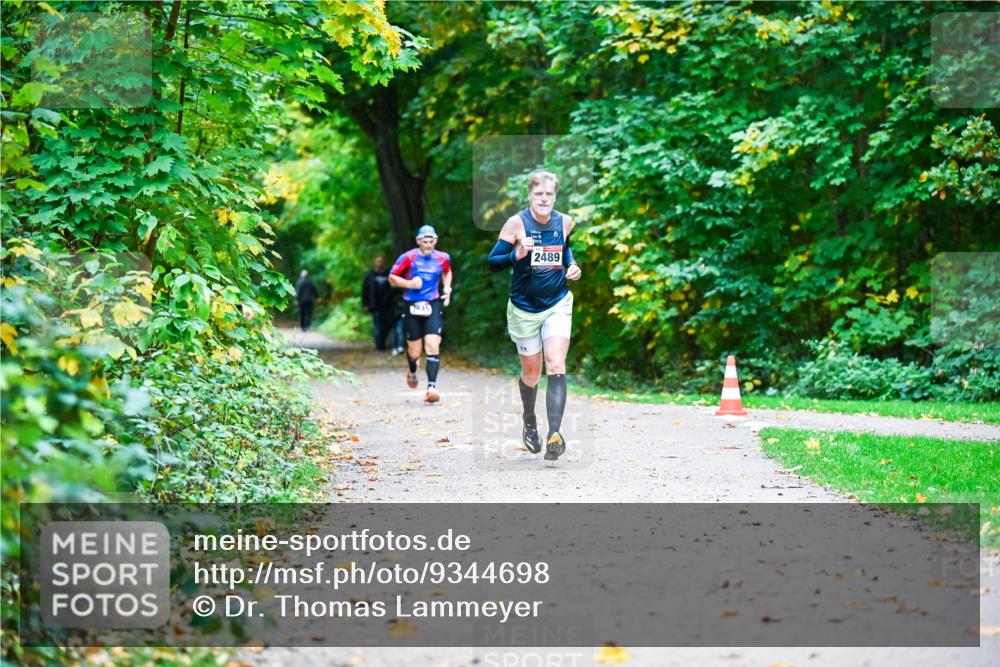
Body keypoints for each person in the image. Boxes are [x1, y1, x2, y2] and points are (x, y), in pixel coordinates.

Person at [487, 171, 581, 461]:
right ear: (530, 196)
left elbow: (565, 249)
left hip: (557, 302)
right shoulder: (517, 223)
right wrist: (515, 255)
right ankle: (530, 420)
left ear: (555, 196)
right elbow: (492, 263)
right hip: (524, 309)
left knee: (556, 364)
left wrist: (573, 264)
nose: (544, 199)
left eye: (549, 194)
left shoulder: (565, 221)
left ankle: (555, 434)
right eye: (538, 194)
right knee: (532, 373)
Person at [388, 225, 453, 403]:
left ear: (436, 240)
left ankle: (431, 387)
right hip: (411, 305)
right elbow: (392, 277)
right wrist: (409, 284)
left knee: (433, 345)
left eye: (431, 241)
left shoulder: (443, 258)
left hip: (431, 304)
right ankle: (413, 370)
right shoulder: (408, 257)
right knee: (415, 351)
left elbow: (447, 271)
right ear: (418, 241)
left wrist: (447, 287)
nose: (428, 245)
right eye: (424, 241)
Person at [361, 256, 395, 351]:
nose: (379, 263)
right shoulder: (370, 276)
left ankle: (383, 343)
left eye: (381, 261)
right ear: (375, 263)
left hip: (388, 305)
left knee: (387, 325)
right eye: (378, 261)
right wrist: (365, 304)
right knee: (378, 326)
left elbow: (394, 289)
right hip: (375, 305)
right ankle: (379, 346)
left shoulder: (388, 274)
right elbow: (365, 290)